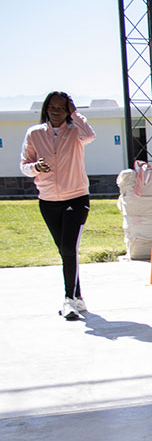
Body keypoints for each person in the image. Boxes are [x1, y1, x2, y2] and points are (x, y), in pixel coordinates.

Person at [20, 91, 96, 320]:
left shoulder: (75, 132)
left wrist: (75, 113)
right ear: (46, 109)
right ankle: (78, 297)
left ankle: (68, 300)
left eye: (61, 108)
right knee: (65, 250)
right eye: (52, 107)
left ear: (67, 110)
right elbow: (24, 165)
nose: (56, 112)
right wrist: (36, 167)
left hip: (76, 198)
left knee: (69, 248)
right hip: (48, 201)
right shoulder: (34, 133)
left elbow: (90, 136)